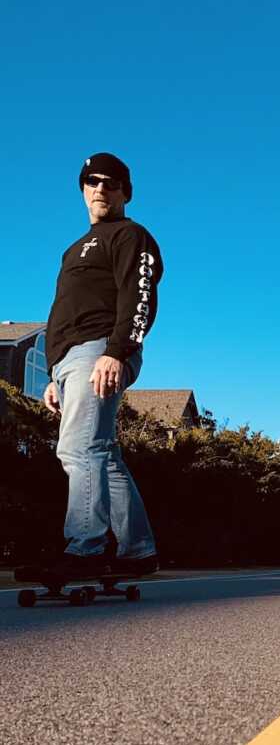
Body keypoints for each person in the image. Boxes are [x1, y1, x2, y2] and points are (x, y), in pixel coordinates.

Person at [15, 152, 163, 582]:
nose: (101, 188)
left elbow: (139, 298)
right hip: (70, 360)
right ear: (83, 189)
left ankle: (85, 547)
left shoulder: (131, 235)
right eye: (92, 181)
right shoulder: (72, 249)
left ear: (125, 192)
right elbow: (65, 313)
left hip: (100, 350)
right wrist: (53, 375)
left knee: (77, 450)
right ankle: (138, 551)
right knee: (102, 453)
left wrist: (116, 351)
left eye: (111, 182)